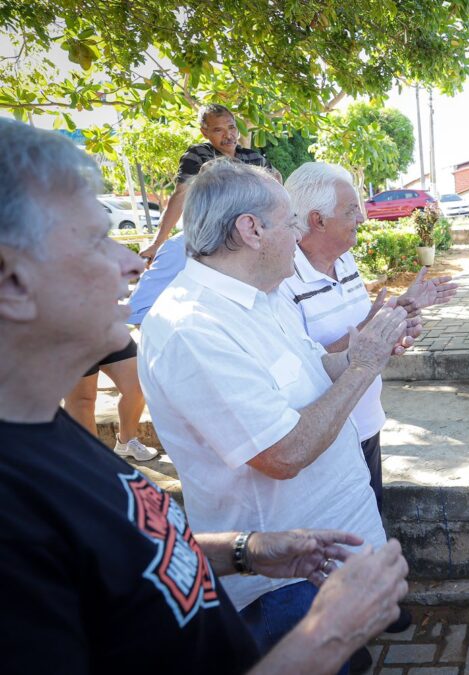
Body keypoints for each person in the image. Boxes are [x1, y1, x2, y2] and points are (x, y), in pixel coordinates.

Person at [0, 118, 409, 674]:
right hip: (286, 602)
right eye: (98, 238)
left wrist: (244, 551)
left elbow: (134, 551)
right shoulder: (191, 327)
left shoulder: (45, 435)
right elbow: (283, 454)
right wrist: (326, 638)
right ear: (13, 281)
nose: (131, 263)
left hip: (299, 567)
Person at [138, 158, 409, 672]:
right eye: (289, 223)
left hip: (326, 561)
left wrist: (362, 351)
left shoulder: (262, 295)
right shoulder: (191, 328)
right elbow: (284, 454)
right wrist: (364, 366)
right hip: (286, 585)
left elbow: (312, 370)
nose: (297, 237)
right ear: (251, 230)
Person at [279, 161, 456, 514]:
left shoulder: (345, 263)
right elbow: (300, 368)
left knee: (369, 521)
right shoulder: (282, 279)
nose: (362, 218)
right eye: (351, 211)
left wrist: (395, 323)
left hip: (366, 422)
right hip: (325, 440)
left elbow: (362, 334)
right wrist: (372, 332)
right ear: (318, 220)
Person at [139, 103, 273, 264]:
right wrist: (157, 243)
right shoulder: (198, 155)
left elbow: (276, 189)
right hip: (213, 242)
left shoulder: (254, 158)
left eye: (231, 127)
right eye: (218, 130)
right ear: (204, 133)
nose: (229, 135)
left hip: (252, 238)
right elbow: (181, 195)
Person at [63, 338, 159, 461]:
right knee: (82, 401)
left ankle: (126, 443)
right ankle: (93, 459)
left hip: (105, 328)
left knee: (138, 384)